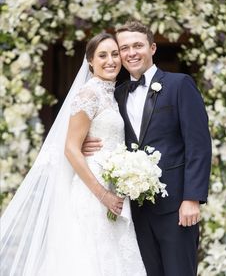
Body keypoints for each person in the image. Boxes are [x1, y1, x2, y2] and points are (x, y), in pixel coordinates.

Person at [0, 33, 146, 276]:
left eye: (114, 54)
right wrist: (103, 195)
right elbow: (70, 148)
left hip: (113, 189)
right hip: (94, 193)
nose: (110, 60)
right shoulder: (88, 94)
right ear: (90, 61)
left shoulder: (112, 93)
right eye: (102, 55)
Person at [83, 21, 212, 276]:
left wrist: (192, 198)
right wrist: (87, 143)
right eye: (124, 48)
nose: (131, 53)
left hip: (176, 208)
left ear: (152, 48)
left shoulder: (179, 85)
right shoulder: (116, 95)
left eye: (138, 46)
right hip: (135, 212)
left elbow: (198, 145)